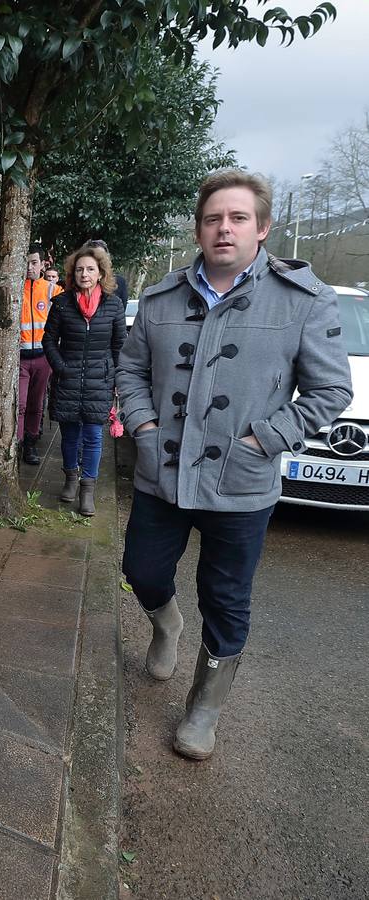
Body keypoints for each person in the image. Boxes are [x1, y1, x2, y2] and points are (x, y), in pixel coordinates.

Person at [116, 169, 351, 760]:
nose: (225, 228)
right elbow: (130, 371)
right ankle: (166, 625)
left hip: (241, 483)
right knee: (142, 570)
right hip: (161, 474)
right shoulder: (163, 298)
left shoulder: (305, 300)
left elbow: (330, 392)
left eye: (238, 217)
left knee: (226, 598)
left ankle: (204, 707)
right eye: (214, 218)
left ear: (263, 229)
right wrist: (144, 427)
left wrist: (267, 438)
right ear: (198, 229)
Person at [43, 243, 127, 516]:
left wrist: (114, 377)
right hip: (67, 378)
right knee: (69, 435)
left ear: (101, 273)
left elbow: (119, 344)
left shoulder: (113, 305)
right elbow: (49, 340)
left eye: (90, 269)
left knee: (93, 436)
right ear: (73, 273)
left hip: (99, 381)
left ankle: (87, 489)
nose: (84, 274)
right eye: (79, 269)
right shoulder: (62, 303)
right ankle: (70, 479)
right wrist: (60, 367)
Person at [18, 244, 60, 464]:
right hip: (20, 359)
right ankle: (17, 443)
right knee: (20, 404)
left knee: (36, 404)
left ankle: (31, 444)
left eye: (34, 262)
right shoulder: (15, 287)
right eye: (26, 262)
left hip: (43, 358)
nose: (29, 267)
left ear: (43, 264)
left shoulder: (53, 290)